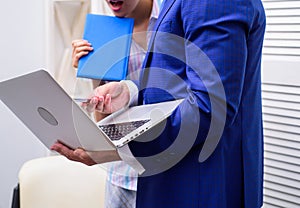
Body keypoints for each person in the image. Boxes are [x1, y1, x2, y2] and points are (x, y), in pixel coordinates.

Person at [52, 0, 266, 207]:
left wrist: (112, 150)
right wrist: (129, 91)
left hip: (201, 184)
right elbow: (180, 76)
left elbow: (209, 108)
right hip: (175, 180)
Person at [69, 0, 160, 207]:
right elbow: (104, 121)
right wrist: (93, 71)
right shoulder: (103, 34)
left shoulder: (173, 15)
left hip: (169, 165)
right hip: (122, 175)